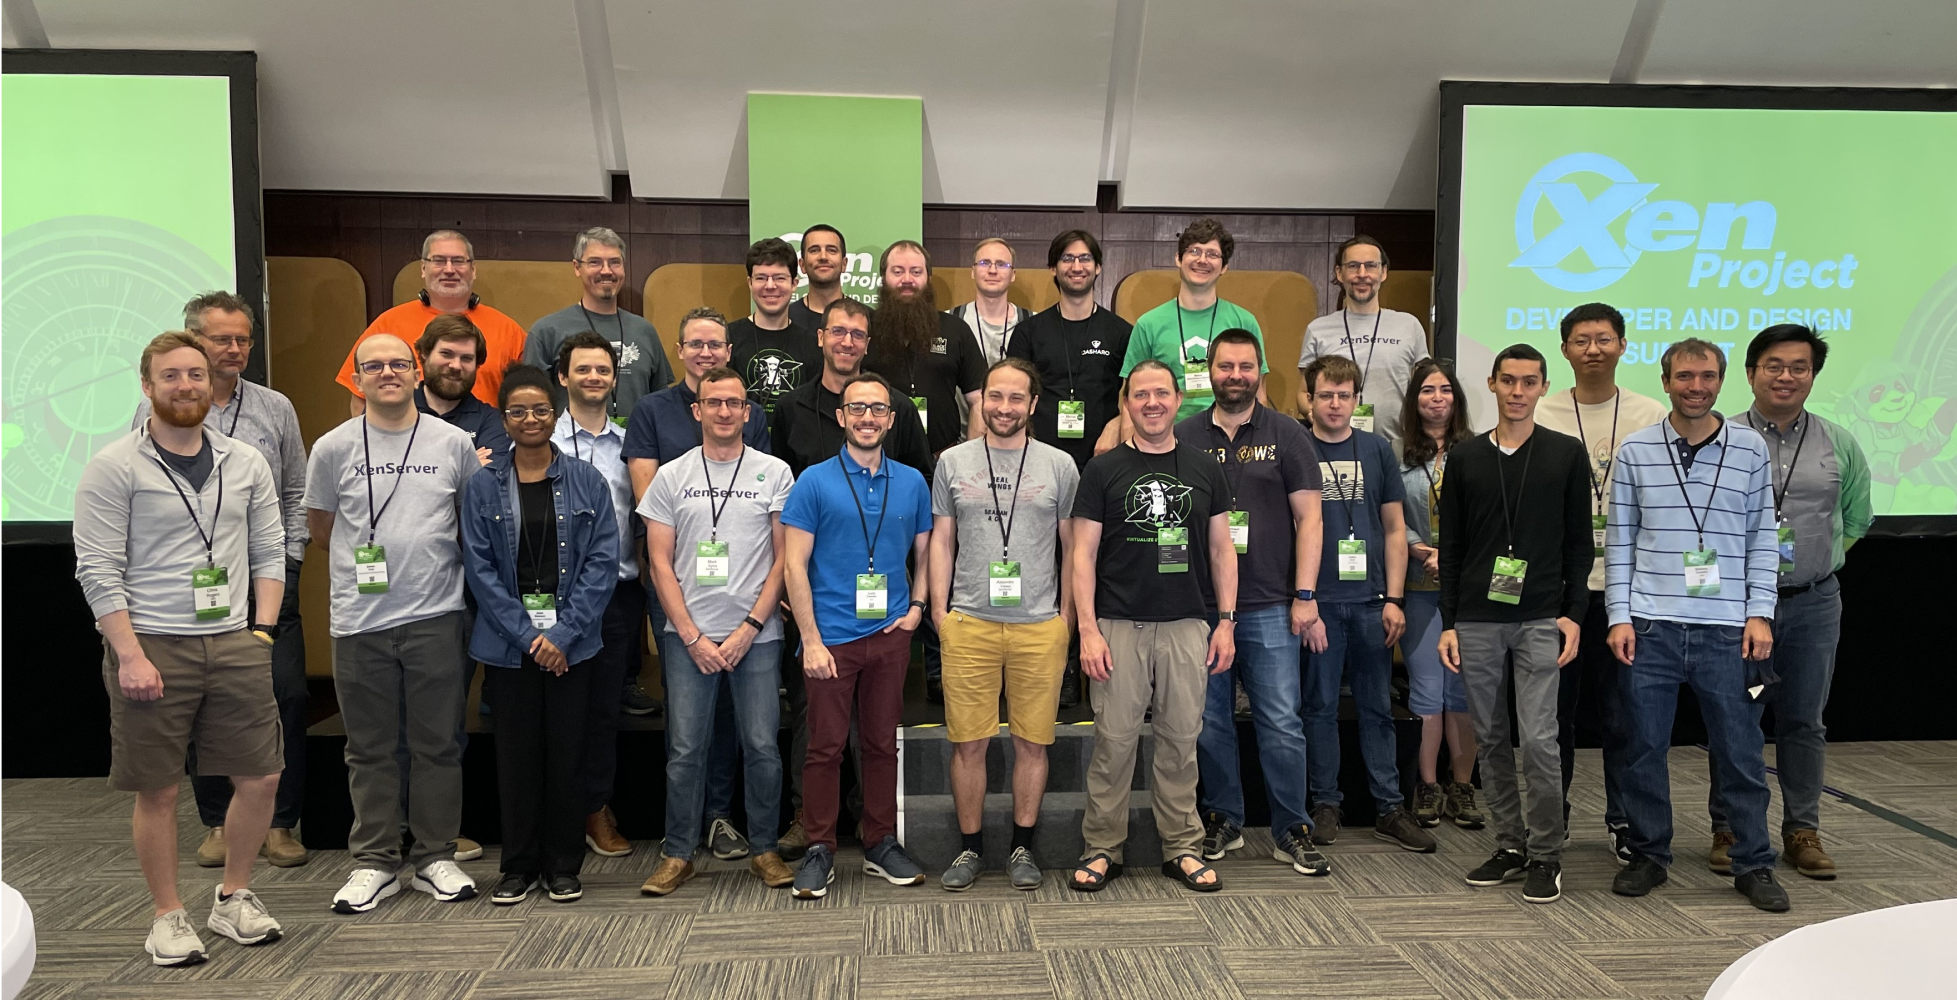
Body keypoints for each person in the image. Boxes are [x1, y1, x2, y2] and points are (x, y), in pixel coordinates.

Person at [76, 331, 288, 966]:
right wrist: (130, 653)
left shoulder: (243, 460)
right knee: (160, 788)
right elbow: (97, 569)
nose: (187, 385)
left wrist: (263, 630)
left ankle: (234, 897)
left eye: (195, 374)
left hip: (233, 640)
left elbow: (270, 549)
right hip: (152, 644)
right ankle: (167, 916)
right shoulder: (114, 465)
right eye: (171, 376)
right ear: (148, 386)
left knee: (261, 777)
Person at [1606, 338, 1790, 913]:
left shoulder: (1750, 448)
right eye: (1684, 376)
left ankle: (1753, 862)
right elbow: (1619, 541)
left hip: (1727, 629)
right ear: (1666, 382)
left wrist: (1761, 612)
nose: (1696, 386)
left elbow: (1763, 536)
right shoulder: (1635, 450)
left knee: (1740, 751)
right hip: (1651, 625)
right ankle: (1648, 854)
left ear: (1722, 380)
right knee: (1641, 748)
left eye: (1707, 376)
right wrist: (1618, 616)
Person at [130, 294, 312, 871]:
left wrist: (289, 561)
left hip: (265, 584)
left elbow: (295, 492)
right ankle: (215, 821)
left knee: (284, 696)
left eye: (242, 340)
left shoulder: (275, 407)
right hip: (189, 595)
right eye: (220, 340)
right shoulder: (162, 408)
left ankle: (281, 823)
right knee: (200, 708)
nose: (233, 350)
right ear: (192, 342)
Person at [307, 333, 483, 914]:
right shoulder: (331, 449)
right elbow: (325, 529)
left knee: (437, 744)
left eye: (398, 364)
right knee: (369, 748)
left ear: (417, 373)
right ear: (357, 378)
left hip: (436, 614)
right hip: (360, 620)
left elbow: (467, 523)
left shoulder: (455, 443)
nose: (387, 373)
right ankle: (375, 861)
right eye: (373, 366)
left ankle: (435, 856)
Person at [1704, 325, 1870, 880]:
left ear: (1813, 376)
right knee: (1735, 717)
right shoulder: (1718, 437)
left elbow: (1857, 516)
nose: (1786, 376)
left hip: (1812, 605)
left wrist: (1816, 565)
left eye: (1799, 367)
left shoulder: (1839, 441)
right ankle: (1730, 828)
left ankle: (1802, 829)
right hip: (1735, 608)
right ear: (1751, 373)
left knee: (1803, 720)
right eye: (1774, 365)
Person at [1069, 360, 1238, 894]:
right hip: (1118, 626)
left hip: (1188, 625)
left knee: (1180, 742)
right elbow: (1082, 556)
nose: (1151, 404)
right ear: (1127, 401)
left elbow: (1220, 548)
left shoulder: (1205, 466)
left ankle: (1182, 848)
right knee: (1113, 744)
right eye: (1140, 395)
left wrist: (1226, 621)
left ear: (1178, 397)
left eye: (1161, 393)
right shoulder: (1103, 469)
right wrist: (1088, 630)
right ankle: (1102, 847)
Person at [1437, 344, 1593, 906]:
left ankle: (1547, 854)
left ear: (1543, 387)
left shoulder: (1566, 454)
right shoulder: (1466, 458)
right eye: (1509, 381)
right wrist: (1449, 622)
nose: (1518, 391)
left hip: (1538, 618)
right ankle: (1510, 844)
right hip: (1477, 617)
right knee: (1492, 738)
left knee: (1542, 739)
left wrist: (1573, 615)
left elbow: (1581, 546)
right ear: (1492, 385)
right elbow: (1451, 547)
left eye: (1530, 382)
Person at [637, 367, 798, 896]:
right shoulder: (671, 475)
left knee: (761, 746)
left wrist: (752, 626)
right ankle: (677, 853)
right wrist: (690, 636)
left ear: (747, 412)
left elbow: (784, 560)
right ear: (696, 411)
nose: (724, 411)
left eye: (734, 403)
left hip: (757, 636)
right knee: (685, 749)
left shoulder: (775, 473)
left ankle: (766, 849)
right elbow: (659, 562)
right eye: (714, 402)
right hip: (689, 639)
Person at [461, 365, 619, 905]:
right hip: (510, 648)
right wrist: (531, 637)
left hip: (573, 646)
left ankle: (563, 864)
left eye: (541, 410)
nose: (530, 419)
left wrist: (565, 634)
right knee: (517, 757)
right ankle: (517, 865)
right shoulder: (482, 486)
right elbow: (479, 570)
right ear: (503, 418)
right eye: (517, 411)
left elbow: (602, 563)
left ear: (556, 414)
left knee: (567, 755)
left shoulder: (586, 480)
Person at [1178, 331, 1331, 877]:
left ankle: (1292, 826)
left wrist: (1305, 596)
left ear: (1260, 372)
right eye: (1225, 366)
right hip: (1202, 609)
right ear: (1210, 372)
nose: (1235, 374)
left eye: (1245, 366)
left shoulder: (1288, 433)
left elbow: (1310, 519)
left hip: (1270, 604)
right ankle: (1224, 818)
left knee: (1281, 722)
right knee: (1210, 720)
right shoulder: (1184, 435)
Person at [781, 372, 933, 898]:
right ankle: (820, 846)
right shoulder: (813, 481)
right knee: (823, 748)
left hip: (890, 634)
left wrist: (917, 608)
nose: (867, 417)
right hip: (831, 638)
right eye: (857, 409)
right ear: (842, 417)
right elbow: (794, 566)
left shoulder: (913, 481)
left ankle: (879, 842)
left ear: (891, 419)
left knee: (880, 746)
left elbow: (925, 551)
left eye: (878, 409)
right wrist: (811, 638)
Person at [929, 358, 1079, 891]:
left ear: (1034, 405)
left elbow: (1072, 547)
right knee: (968, 743)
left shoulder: (1060, 465)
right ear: (981, 400)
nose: (1005, 407)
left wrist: (1068, 616)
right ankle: (969, 850)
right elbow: (942, 540)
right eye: (995, 397)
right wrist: (939, 611)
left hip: (1040, 625)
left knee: (1032, 743)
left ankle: (1022, 846)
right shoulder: (952, 462)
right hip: (969, 622)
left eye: (1017, 398)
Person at [623, 306, 767, 860]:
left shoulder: (753, 425)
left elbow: (762, 511)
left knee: (736, 721)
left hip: (743, 600)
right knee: (686, 731)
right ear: (679, 351)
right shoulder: (652, 410)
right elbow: (649, 495)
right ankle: (679, 841)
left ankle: (719, 819)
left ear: (729, 352)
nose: (705, 352)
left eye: (715, 344)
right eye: (695, 343)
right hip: (681, 595)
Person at [1533, 302, 1667, 862]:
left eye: (1604, 339)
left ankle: (1623, 820)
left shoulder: (1649, 412)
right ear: (1565, 349)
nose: (1593, 349)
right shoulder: (1540, 411)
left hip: (1626, 590)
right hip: (1559, 589)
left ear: (1622, 346)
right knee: (1553, 716)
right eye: (1582, 340)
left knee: (1623, 715)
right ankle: (1553, 819)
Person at [1298, 355, 1434, 852]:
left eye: (1344, 395)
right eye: (1325, 394)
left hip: (1373, 602)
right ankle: (1325, 803)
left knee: (1378, 706)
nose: (1335, 403)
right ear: (1310, 399)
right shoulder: (1297, 447)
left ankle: (1388, 807)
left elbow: (1396, 529)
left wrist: (1395, 598)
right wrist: (1303, 600)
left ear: (1356, 399)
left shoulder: (1377, 449)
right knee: (1319, 706)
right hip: (1321, 605)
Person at [549, 333, 645, 856]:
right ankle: (555, 811)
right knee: (558, 710)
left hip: (615, 597)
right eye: (582, 370)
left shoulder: (628, 444)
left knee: (604, 710)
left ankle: (594, 807)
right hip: (557, 599)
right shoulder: (540, 440)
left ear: (614, 379)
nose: (593, 378)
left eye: (603, 371)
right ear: (563, 378)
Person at [1396, 357, 1481, 830]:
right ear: (1415, 400)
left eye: (1445, 390)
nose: (1437, 398)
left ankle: (1462, 787)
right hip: (1418, 586)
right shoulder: (1398, 454)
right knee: (1428, 689)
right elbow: (1392, 519)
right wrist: (1420, 549)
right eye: (1427, 390)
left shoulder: (1476, 452)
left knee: (1462, 692)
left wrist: (1449, 553)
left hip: (1467, 589)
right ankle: (1427, 786)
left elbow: (1485, 517)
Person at [335, 230, 526, 414]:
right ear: (423, 268)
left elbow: (527, 398)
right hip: (407, 443)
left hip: (485, 442)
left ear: (473, 270)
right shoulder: (387, 326)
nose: (449, 269)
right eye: (439, 261)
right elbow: (360, 398)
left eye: (458, 261)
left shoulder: (508, 330)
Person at [1119, 218, 1267, 427]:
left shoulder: (1244, 322)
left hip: (1232, 436)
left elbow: (1259, 391)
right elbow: (1131, 398)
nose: (1202, 260)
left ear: (1224, 266)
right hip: (1167, 439)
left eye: (1212, 254)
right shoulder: (1149, 324)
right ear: (1178, 258)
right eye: (1194, 251)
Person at [1006, 229, 1133, 470]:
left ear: (1098, 267)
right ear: (1053, 268)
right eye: (1067, 258)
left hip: (1102, 457)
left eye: (1085, 258)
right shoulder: (1028, 332)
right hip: (1038, 459)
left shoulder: (1121, 332)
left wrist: (1116, 424)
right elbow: (1014, 393)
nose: (1077, 266)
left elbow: (1137, 393)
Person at [522, 227, 674, 417]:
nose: (606, 271)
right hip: (569, 445)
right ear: (577, 268)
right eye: (595, 262)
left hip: (636, 445)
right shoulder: (547, 331)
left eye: (614, 262)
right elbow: (531, 403)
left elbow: (660, 402)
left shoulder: (644, 331)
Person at [772, 297, 931, 477]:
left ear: (867, 345)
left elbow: (923, 479)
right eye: (838, 331)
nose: (847, 342)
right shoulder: (790, 409)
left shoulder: (900, 407)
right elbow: (780, 484)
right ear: (821, 337)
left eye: (857, 334)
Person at [1296, 236, 1428, 452]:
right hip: (1336, 447)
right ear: (1340, 273)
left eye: (1371, 266)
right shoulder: (1318, 329)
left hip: (1400, 448)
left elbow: (1424, 388)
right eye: (1353, 266)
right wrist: (1314, 415)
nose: (1362, 274)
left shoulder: (1409, 326)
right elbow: (1303, 393)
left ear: (1383, 272)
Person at [864, 240, 987, 455]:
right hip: (877, 459)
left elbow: (978, 400)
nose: (907, 280)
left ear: (928, 278)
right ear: (883, 278)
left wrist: (969, 460)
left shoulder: (956, 330)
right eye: (898, 271)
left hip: (942, 458)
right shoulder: (864, 329)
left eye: (916, 272)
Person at [729, 237, 821, 416]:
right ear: (750, 283)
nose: (770, 286)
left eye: (779, 278)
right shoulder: (728, 337)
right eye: (761, 278)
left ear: (794, 284)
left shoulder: (812, 345)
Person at [414, 315, 510, 466]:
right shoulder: (393, 411)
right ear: (424, 354)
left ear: (477, 365)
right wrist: (467, 465)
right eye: (446, 354)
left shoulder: (491, 421)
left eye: (466, 358)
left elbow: (486, 482)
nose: (456, 366)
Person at [947, 238, 1030, 368]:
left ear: (1013, 274)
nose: (992, 271)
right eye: (984, 263)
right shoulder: (949, 322)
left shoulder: (1033, 324)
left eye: (1001, 264)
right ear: (972, 272)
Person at [786, 224, 849, 333]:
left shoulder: (867, 319)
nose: (823, 257)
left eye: (832, 250)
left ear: (844, 264)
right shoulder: (785, 319)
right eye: (814, 250)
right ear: (802, 265)